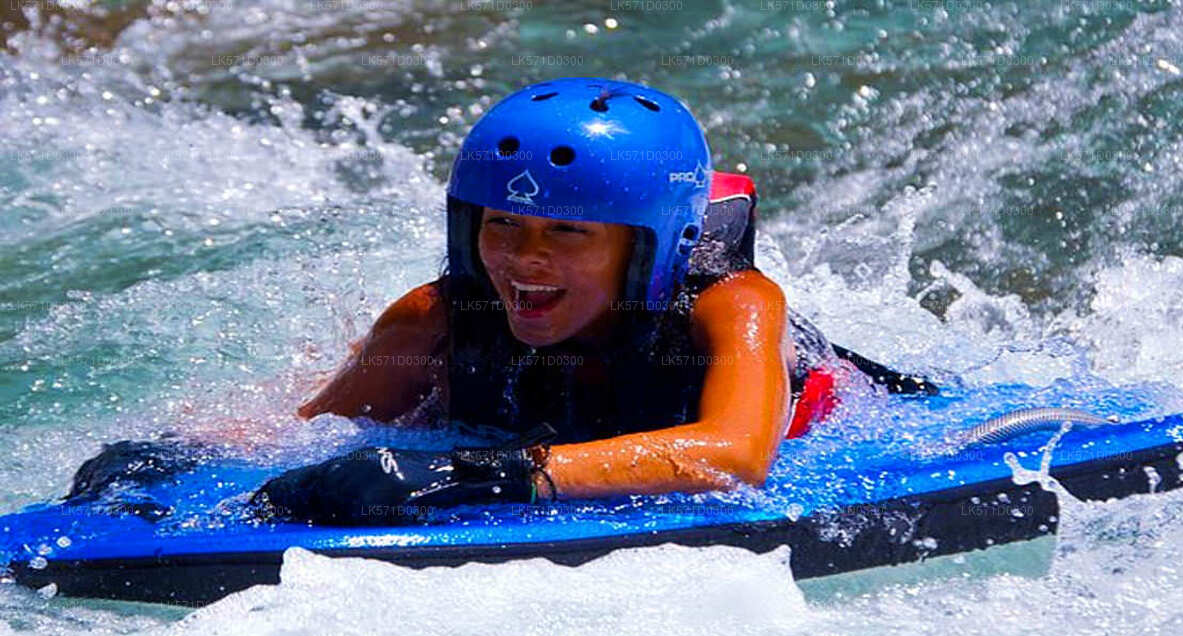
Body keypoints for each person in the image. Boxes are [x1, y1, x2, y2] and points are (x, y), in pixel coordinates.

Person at [67, 77, 935, 524]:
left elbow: (735, 456)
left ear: (649, 246)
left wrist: (487, 474)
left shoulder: (734, 307)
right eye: (501, 226)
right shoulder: (437, 318)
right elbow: (321, 427)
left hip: (852, 426)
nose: (521, 260)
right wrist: (174, 456)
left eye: (567, 234)